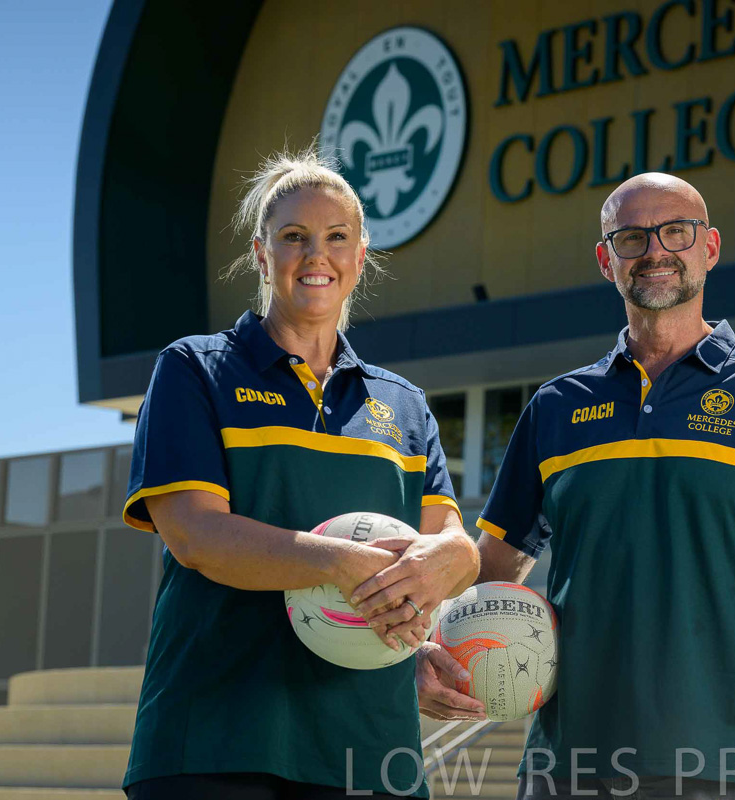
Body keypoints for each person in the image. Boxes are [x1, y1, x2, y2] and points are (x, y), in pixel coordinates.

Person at [408, 173, 735, 799]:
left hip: (725, 765)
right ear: (606, 260)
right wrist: (429, 648)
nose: (655, 250)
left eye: (676, 231)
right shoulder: (556, 407)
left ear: (710, 248)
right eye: (631, 237)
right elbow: (489, 572)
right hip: (565, 768)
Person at [120, 146, 480, 800]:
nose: (317, 255)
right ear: (261, 254)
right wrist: (345, 564)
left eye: (336, 237)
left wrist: (443, 578)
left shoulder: (403, 404)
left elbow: (449, 545)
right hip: (216, 741)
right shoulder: (194, 370)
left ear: (360, 257)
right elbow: (197, 536)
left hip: (371, 752)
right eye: (294, 237)